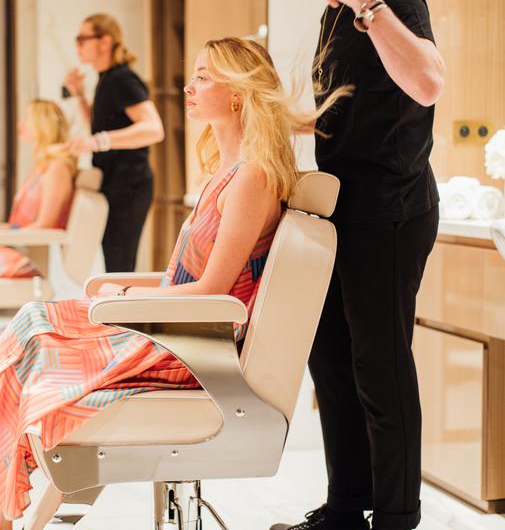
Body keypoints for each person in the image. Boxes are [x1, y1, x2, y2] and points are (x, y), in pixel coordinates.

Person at [0, 37, 347, 527]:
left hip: (187, 349)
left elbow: (213, 293)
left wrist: (131, 299)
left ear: (238, 94)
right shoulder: (226, 172)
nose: (189, 85)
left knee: (36, 326)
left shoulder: (252, 178)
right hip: (174, 330)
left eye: (204, 76)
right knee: (34, 328)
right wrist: (132, 298)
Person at [271, 0, 445, 530]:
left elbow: (426, 82)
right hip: (342, 206)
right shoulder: (332, 10)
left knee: (379, 360)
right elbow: (346, 113)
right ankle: (346, 505)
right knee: (330, 356)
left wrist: (366, 0)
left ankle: (397, 514)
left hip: (391, 207)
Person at [63, 13, 164, 272]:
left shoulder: (122, 79)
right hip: (115, 181)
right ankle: (114, 312)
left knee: (120, 263)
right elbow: (101, 127)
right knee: (113, 261)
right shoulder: (106, 79)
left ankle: (121, 313)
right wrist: (79, 96)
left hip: (129, 184)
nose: (78, 46)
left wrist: (99, 141)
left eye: (82, 39)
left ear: (105, 41)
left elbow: (154, 129)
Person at [0, 100, 76, 278]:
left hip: (23, 260)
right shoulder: (42, 167)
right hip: (16, 248)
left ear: (42, 124)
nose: (20, 124)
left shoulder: (57, 168)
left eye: (27, 118)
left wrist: (8, 236)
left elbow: (44, 225)